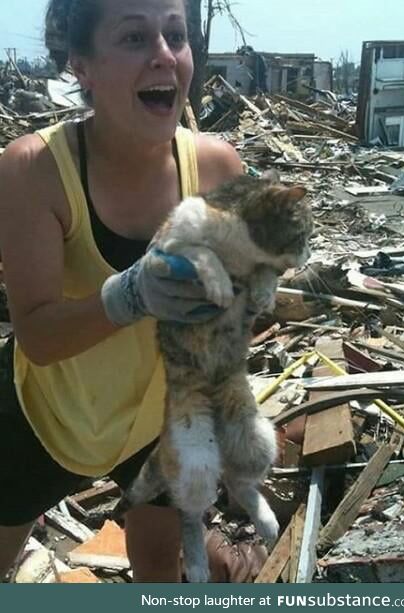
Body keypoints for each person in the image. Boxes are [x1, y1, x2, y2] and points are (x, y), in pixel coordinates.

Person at [0, 0, 242, 582]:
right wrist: (134, 292)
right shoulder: (33, 170)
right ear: (81, 65)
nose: (164, 54)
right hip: (48, 415)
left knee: (158, 566)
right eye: (135, 38)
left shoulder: (216, 169)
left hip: (156, 416)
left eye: (175, 35)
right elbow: (38, 335)